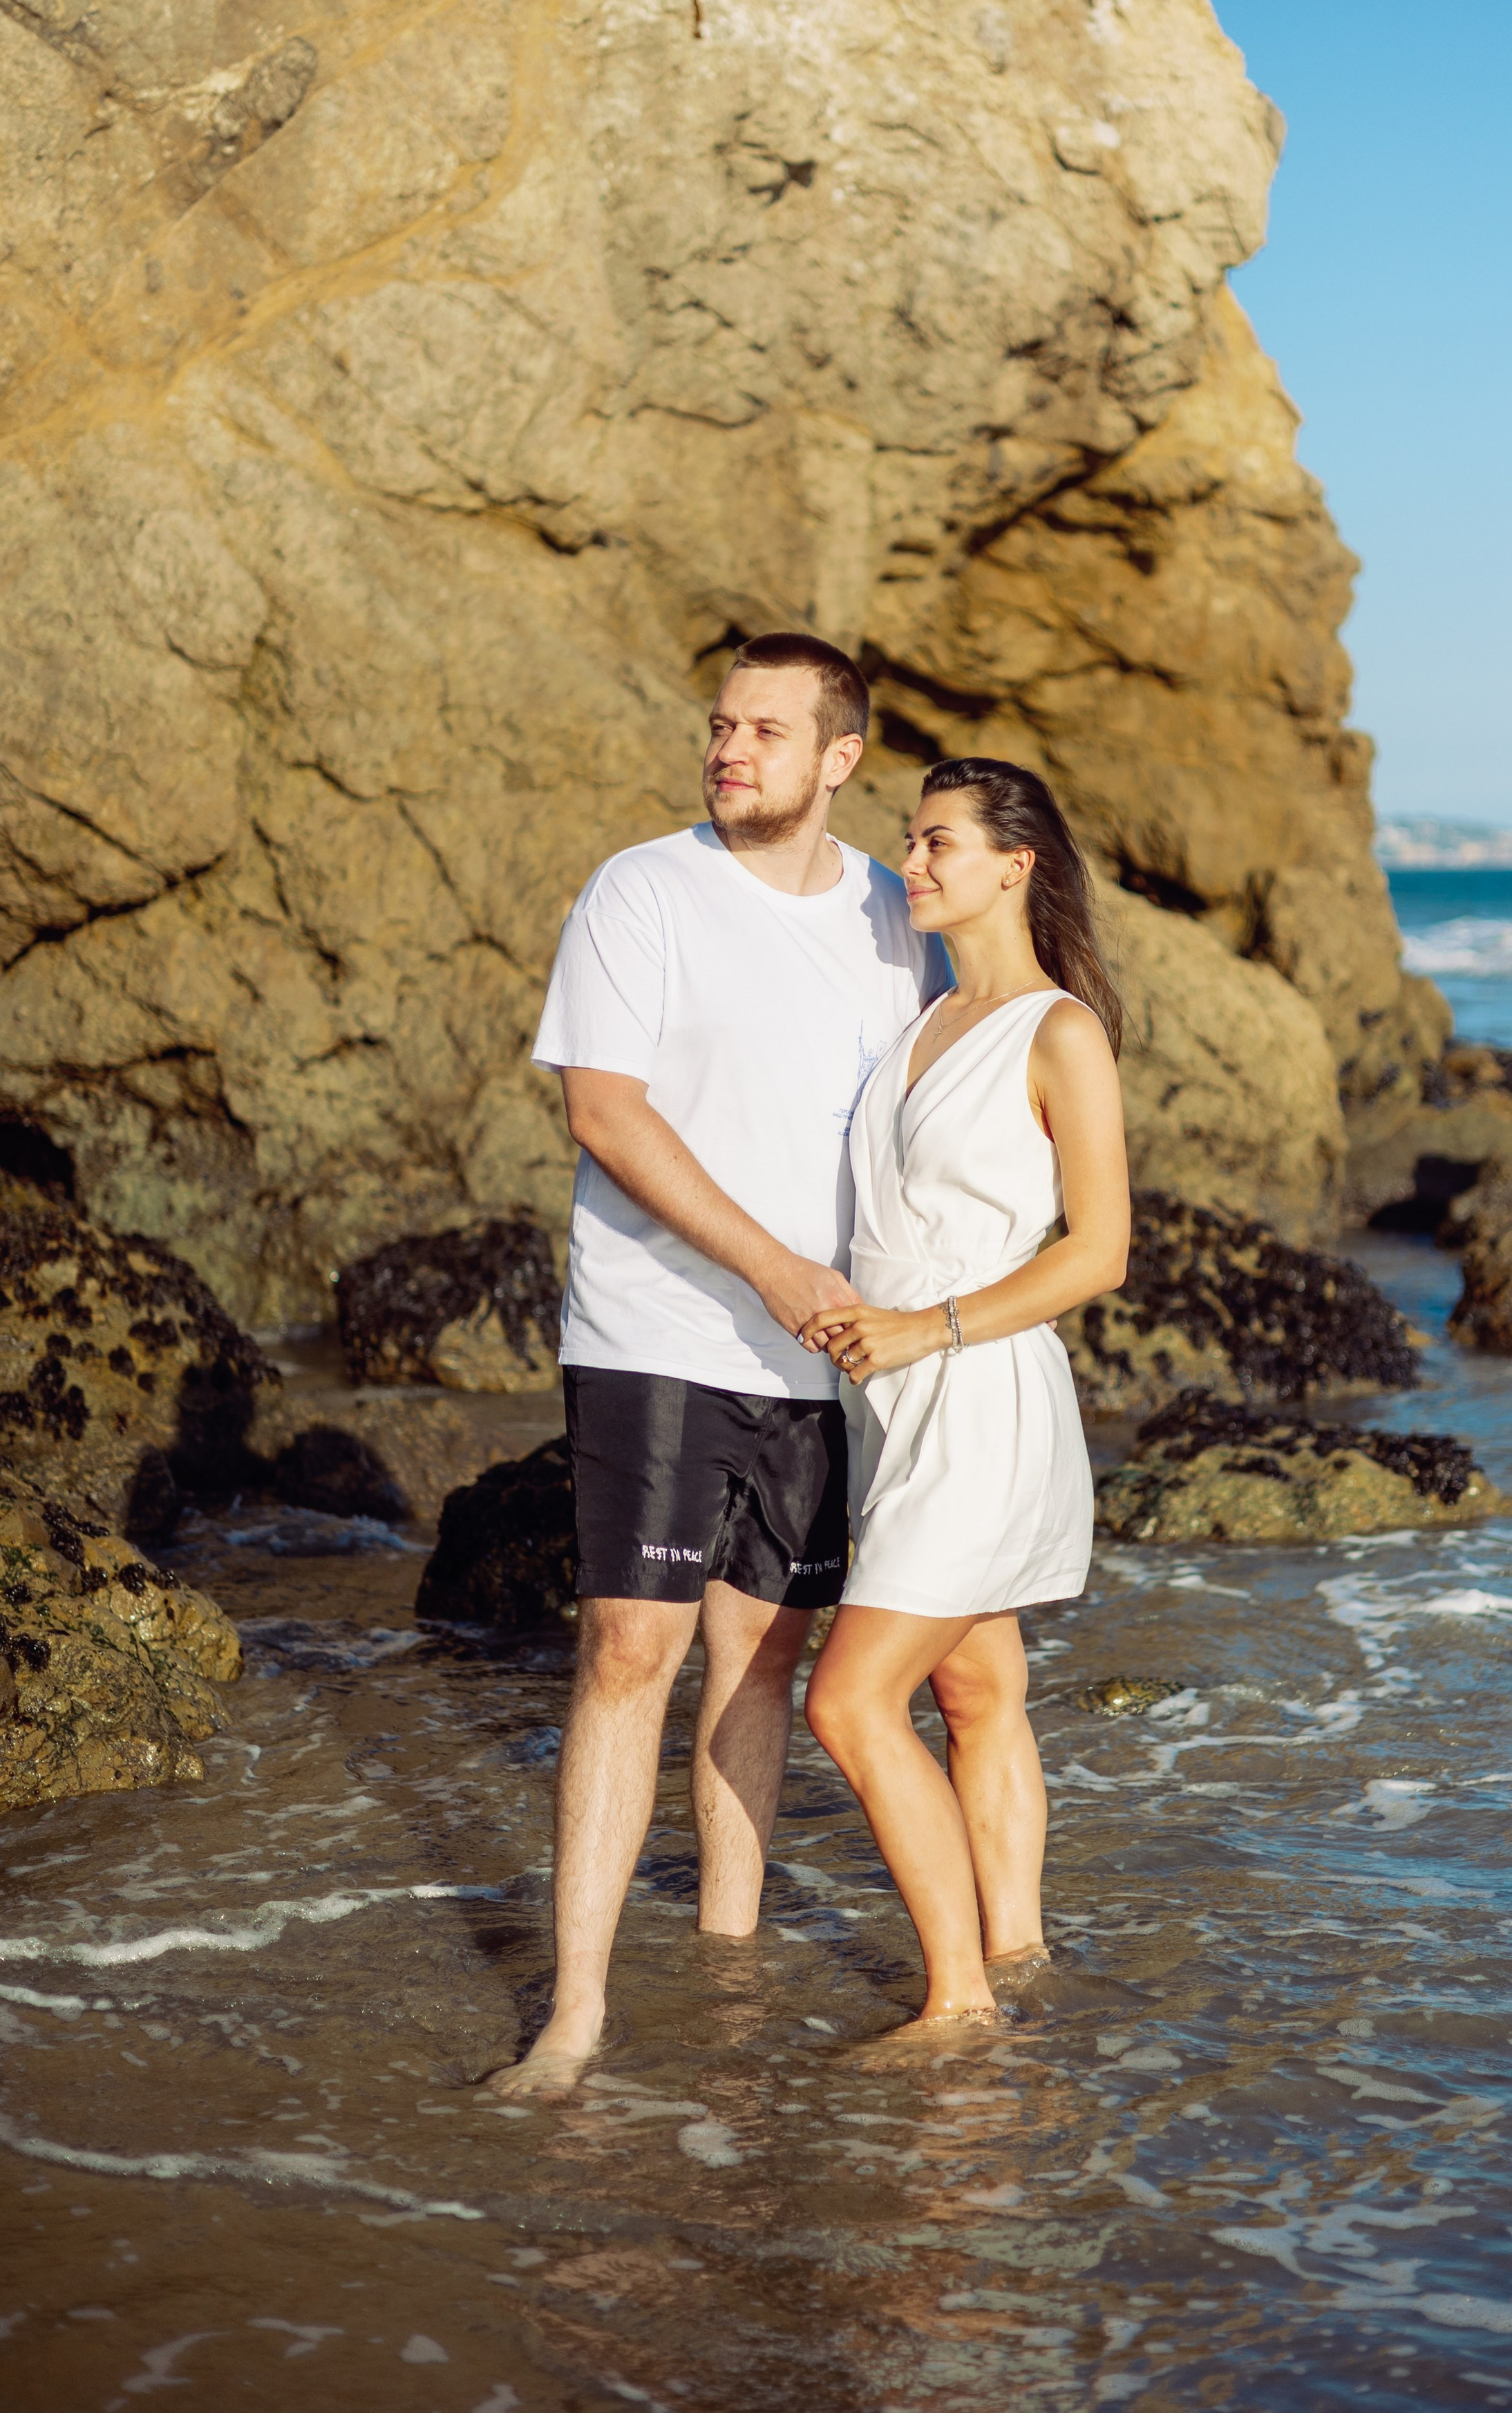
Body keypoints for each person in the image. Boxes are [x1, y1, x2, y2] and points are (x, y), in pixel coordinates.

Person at [490, 634, 941, 2098]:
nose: (728, 748)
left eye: (763, 730)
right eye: (719, 725)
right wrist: (770, 1270)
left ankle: (729, 1981)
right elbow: (604, 1114)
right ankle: (573, 2020)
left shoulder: (893, 915)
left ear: (838, 759)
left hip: (826, 1357)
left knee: (761, 1665)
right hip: (658, 1329)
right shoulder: (642, 889)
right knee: (633, 1646)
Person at [800, 757, 1131, 2027]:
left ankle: (954, 2008)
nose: (915, 863)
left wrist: (917, 1329)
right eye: (911, 839)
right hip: (890, 1399)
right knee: (976, 1691)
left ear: (1017, 863)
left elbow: (1097, 1253)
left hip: (979, 1395)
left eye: (940, 842)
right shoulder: (918, 1026)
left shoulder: (1060, 1031)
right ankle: (1020, 1959)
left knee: (849, 1699)